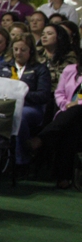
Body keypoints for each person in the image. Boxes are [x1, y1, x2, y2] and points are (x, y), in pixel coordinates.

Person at [0, 34, 51, 171]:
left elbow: (43, 95)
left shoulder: (40, 69)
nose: (18, 53)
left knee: (19, 117)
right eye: (16, 49)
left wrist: (21, 93)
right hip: (4, 105)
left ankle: (21, 161)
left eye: (23, 50)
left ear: (30, 51)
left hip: (31, 108)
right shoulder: (2, 67)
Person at [37, 58, 82, 189]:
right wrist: (66, 105)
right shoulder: (70, 69)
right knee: (70, 127)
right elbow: (59, 92)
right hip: (66, 112)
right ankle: (64, 177)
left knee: (76, 113)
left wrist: (77, 104)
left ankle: (42, 137)